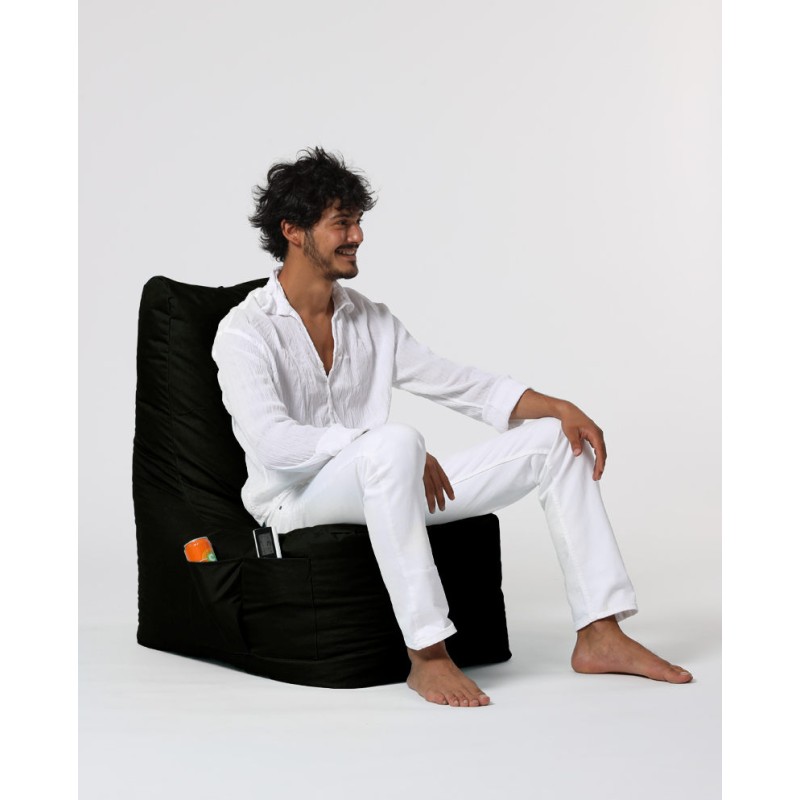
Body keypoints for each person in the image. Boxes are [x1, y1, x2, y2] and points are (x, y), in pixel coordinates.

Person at [212, 147, 692, 707]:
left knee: (557, 442)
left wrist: (558, 406)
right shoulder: (245, 330)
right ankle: (428, 655)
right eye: (342, 222)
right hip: (295, 501)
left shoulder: (371, 320)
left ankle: (600, 633)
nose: (358, 235)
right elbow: (272, 442)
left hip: (386, 479)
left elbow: (460, 384)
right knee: (395, 442)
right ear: (292, 230)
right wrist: (378, 445)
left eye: (359, 221)